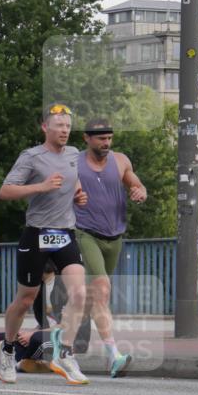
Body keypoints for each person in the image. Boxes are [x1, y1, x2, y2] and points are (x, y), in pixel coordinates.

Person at [0, 103, 90, 385]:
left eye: (68, 126)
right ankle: (8, 349)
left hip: (65, 233)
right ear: (45, 127)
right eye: (59, 126)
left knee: (80, 293)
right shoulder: (31, 157)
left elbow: (73, 182)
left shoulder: (73, 154)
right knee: (25, 298)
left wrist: (78, 195)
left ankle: (65, 354)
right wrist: (41, 186)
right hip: (36, 234)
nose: (64, 130)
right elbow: (5, 191)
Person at [75, 118, 147, 377]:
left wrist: (140, 192)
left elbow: (137, 185)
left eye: (109, 138)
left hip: (114, 237)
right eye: (101, 139)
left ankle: (60, 333)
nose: (106, 143)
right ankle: (114, 356)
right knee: (102, 288)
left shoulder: (120, 161)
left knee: (92, 298)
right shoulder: (74, 162)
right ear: (87, 138)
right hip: (85, 233)